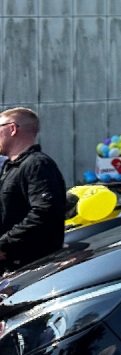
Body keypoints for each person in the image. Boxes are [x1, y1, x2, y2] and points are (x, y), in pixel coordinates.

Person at [0, 107, 67, 274]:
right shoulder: (11, 167)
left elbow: (44, 212)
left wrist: (4, 243)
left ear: (12, 129)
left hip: (30, 268)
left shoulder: (37, 165)